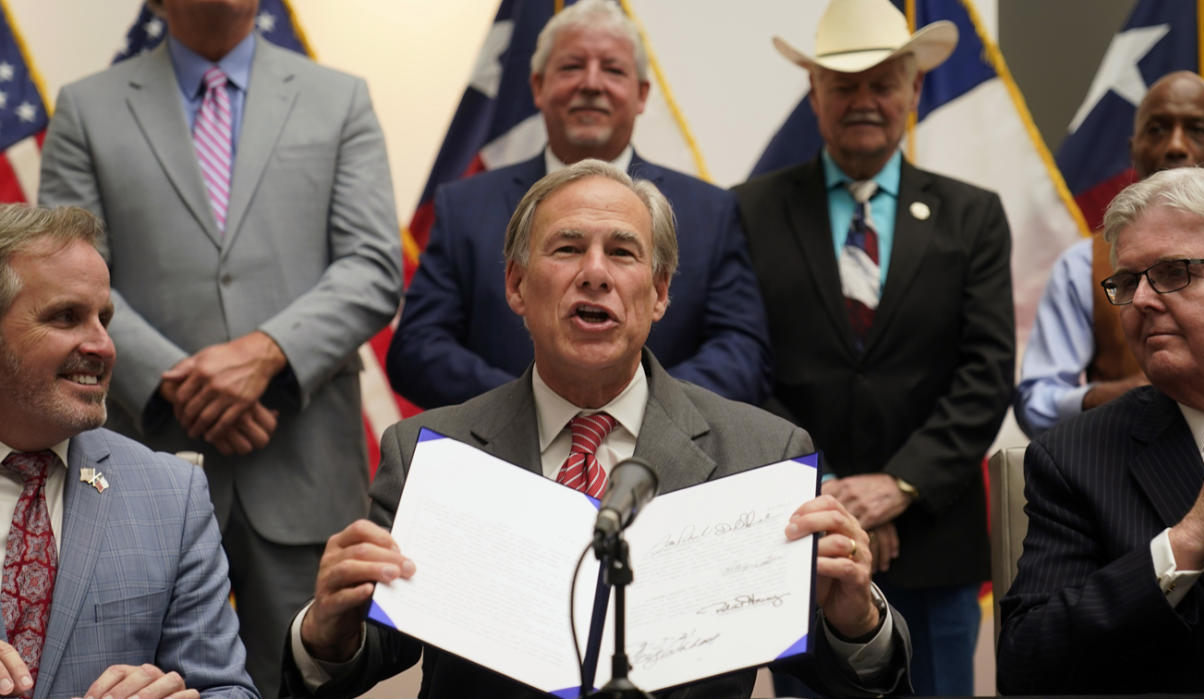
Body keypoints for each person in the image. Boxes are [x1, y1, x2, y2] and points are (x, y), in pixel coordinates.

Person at [281, 160, 913, 698]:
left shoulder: (764, 454)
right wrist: (326, 634)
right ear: (516, 285)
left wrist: (857, 621)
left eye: (622, 252)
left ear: (660, 293)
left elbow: (850, 679)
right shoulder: (426, 454)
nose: (595, 272)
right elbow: (363, 656)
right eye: (566, 247)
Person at [36, 1, 402, 695]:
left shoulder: (338, 97)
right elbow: (65, 269)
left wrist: (265, 354)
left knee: (315, 674)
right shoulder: (87, 108)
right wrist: (186, 381)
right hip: (142, 457)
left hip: (299, 465)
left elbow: (373, 267)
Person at [732, 0, 1014, 694]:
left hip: (935, 543)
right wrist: (826, 490)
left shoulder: (973, 214)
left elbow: (986, 372)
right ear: (815, 93)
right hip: (803, 541)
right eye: (844, 84)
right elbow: (743, 367)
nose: (864, 100)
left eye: (883, 82)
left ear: (914, 92)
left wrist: (898, 487)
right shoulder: (747, 209)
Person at [387, 0, 770, 409]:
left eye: (613, 69)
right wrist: (531, 409)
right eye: (571, 67)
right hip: (496, 459)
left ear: (642, 95)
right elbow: (416, 348)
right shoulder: (465, 206)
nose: (591, 83)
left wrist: (642, 411)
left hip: (667, 464)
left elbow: (743, 355)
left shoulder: (709, 212)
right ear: (537, 86)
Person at [998, 164, 1204, 693]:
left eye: (1175, 271)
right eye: (1129, 281)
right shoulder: (1076, 458)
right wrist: (1187, 542)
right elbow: (1027, 663)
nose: (1144, 301)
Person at [0, 204, 257, 698]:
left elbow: (229, 690)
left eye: (104, 318)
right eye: (66, 317)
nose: (103, 345)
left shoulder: (171, 496)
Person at [1015, 71, 1204, 438]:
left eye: (1197, 129)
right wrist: (1123, 396)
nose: (1176, 146)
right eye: (1157, 129)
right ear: (1133, 149)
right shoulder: (1084, 266)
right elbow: (1037, 402)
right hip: (1129, 467)